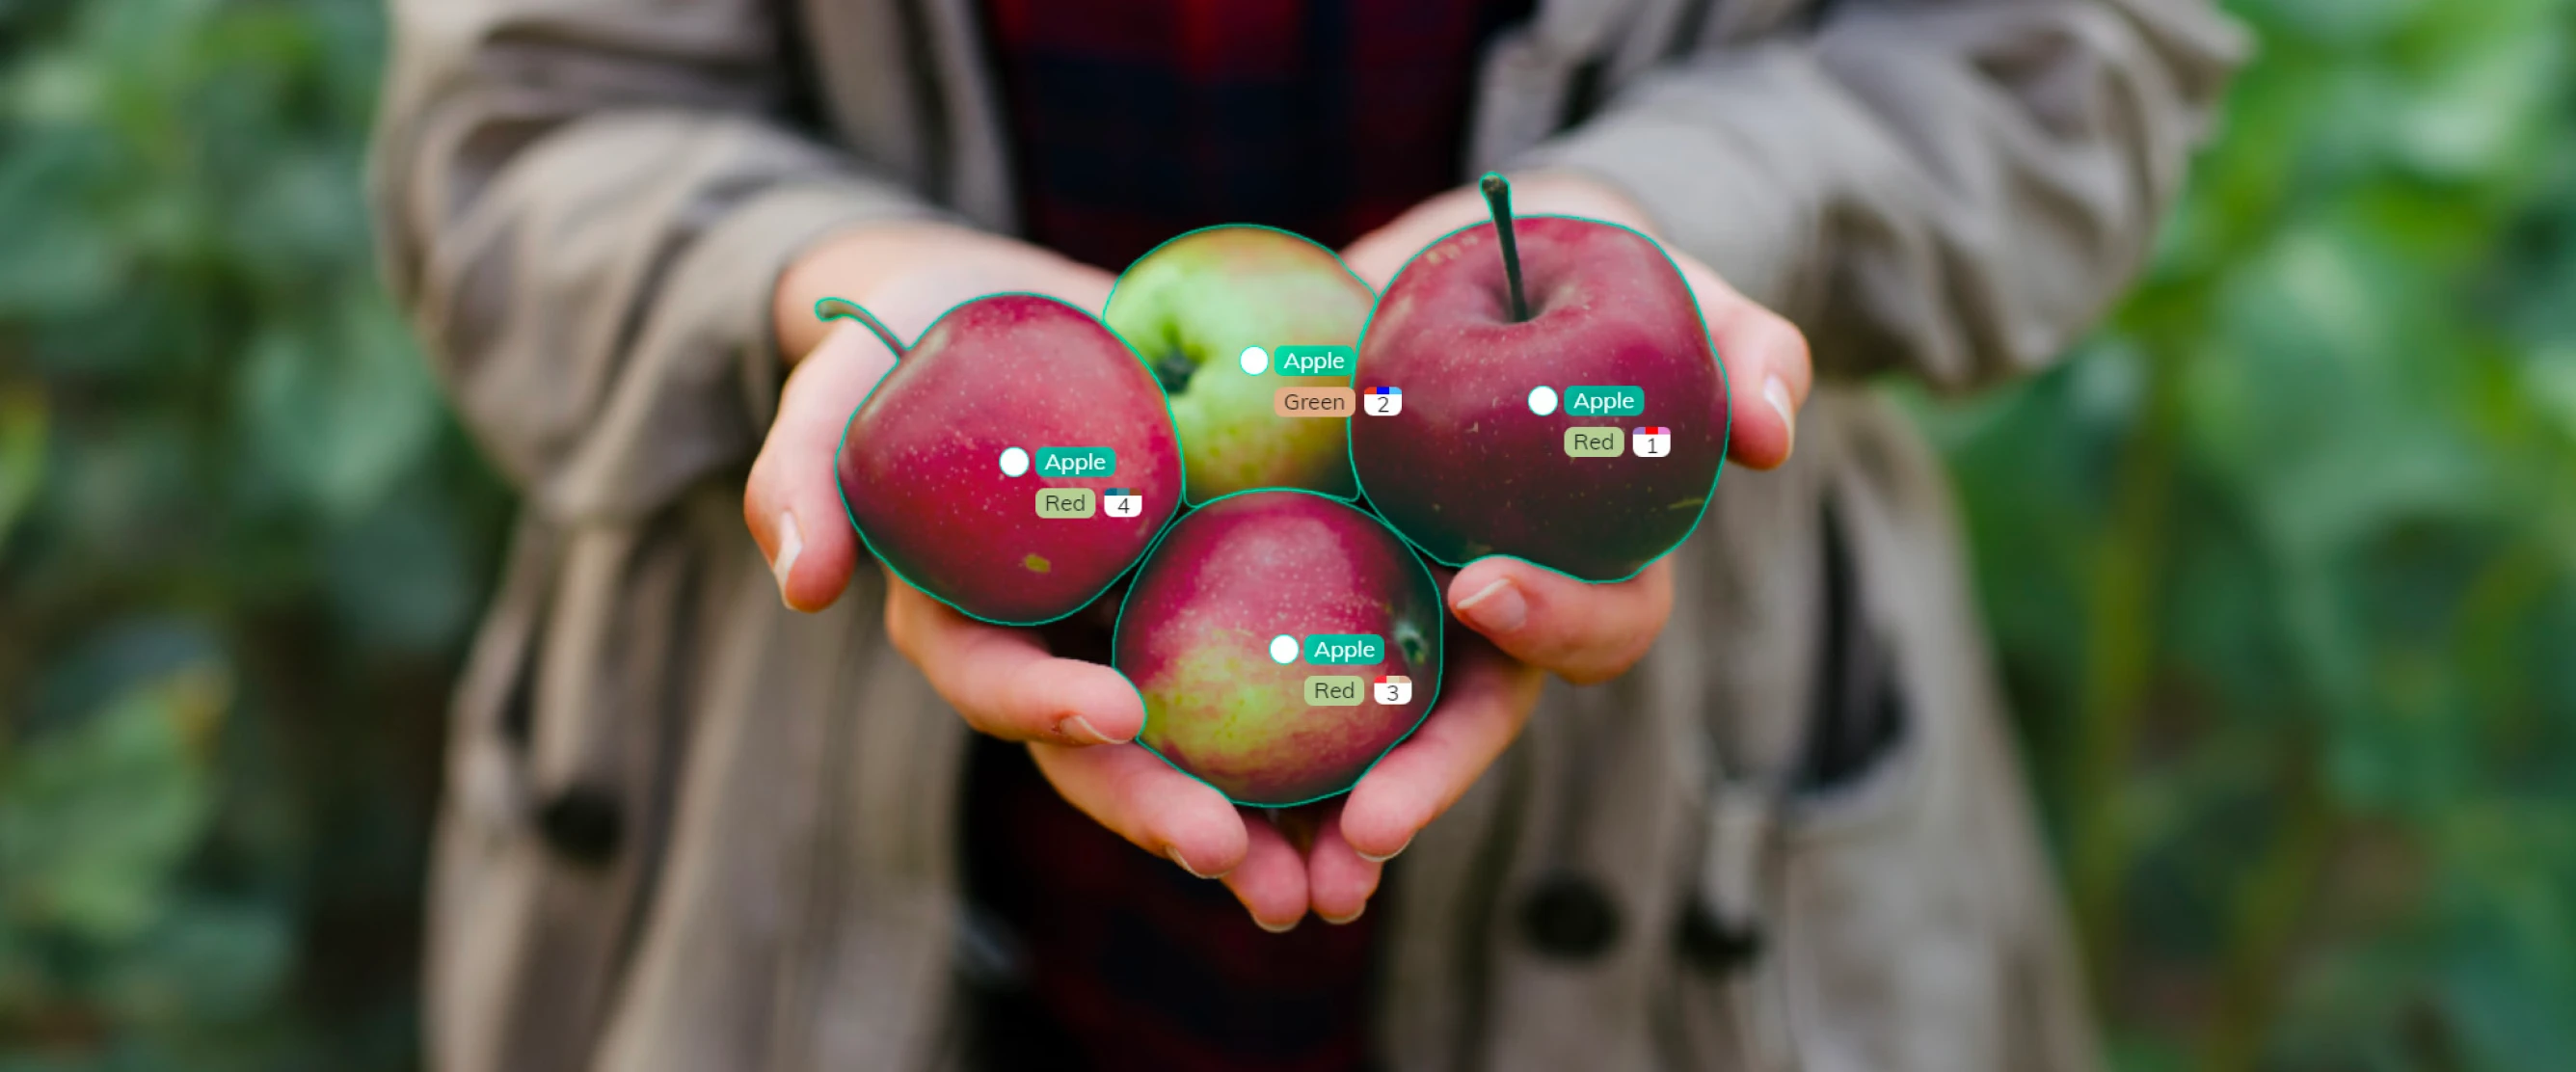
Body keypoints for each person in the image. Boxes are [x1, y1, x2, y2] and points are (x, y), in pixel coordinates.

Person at [369, 0, 2241, 1067]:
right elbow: (524, 132)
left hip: (1683, 858)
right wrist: (855, 296)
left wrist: (1640, 229)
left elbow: (2060, 55)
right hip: (808, 849)